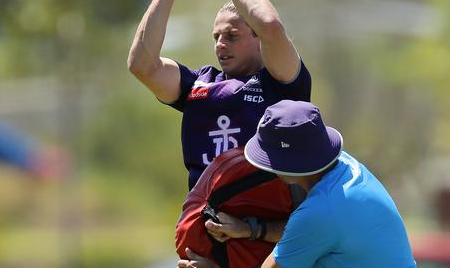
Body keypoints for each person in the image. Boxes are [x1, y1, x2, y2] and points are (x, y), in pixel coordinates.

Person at [127, 0, 311, 191]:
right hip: (205, 224)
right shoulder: (199, 84)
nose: (221, 44)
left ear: (256, 36)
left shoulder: (281, 82)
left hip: (266, 226)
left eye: (232, 36)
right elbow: (142, 65)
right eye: (216, 37)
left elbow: (270, 24)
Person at [178, 100, 417, 268]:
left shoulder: (320, 211)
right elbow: (311, 235)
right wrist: (249, 229)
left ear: (286, 167)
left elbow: (310, 228)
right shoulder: (346, 167)